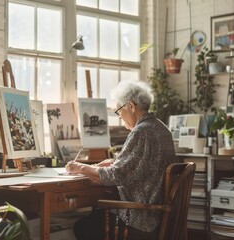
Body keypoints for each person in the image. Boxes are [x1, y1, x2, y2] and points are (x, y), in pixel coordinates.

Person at [65, 79, 176, 240]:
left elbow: (115, 176)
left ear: (131, 106)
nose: (119, 117)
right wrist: (113, 163)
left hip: (142, 218)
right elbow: (142, 164)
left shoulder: (141, 132)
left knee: (84, 226)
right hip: (160, 216)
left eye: (118, 111)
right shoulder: (161, 129)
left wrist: (80, 168)